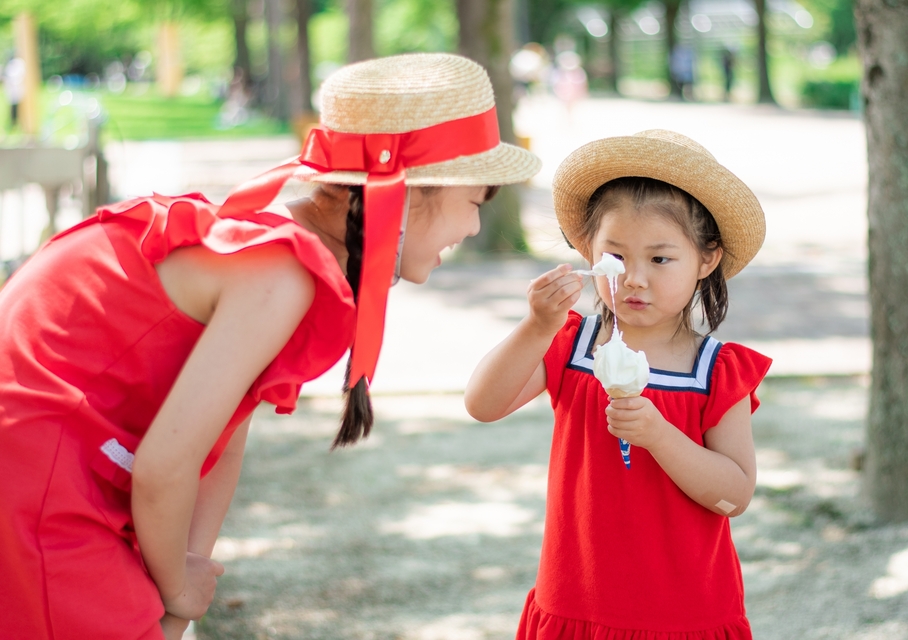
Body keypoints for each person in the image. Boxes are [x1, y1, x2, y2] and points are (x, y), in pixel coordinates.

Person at [0, 53, 540, 640]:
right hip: (38, 475)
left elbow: (223, 440)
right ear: (407, 194)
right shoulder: (278, 276)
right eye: (475, 203)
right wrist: (176, 586)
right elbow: (164, 466)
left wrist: (185, 589)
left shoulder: (268, 242)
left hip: (55, 460)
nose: (475, 229)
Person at [465, 130, 771, 638]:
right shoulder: (569, 345)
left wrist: (660, 435)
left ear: (707, 259)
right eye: (617, 256)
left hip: (684, 611)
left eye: (660, 259)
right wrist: (537, 325)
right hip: (576, 602)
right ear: (589, 252)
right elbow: (483, 404)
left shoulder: (718, 371)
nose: (633, 278)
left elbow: (733, 496)